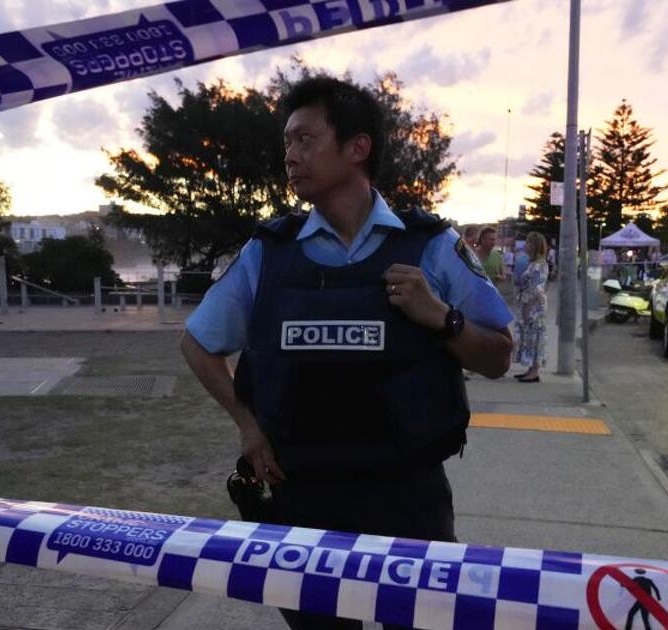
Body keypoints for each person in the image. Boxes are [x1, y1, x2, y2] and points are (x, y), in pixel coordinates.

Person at [179, 77, 514, 630]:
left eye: (306, 139)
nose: (290, 155)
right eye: (287, 142)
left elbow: (500, 356)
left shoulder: (430, 244)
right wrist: (246, 425)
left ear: (357, 148)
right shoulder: (270, 252)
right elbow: (196, 343)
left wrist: (442, 318)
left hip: (408, 498)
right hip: (304, 496)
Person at [514, 232, 549, 383]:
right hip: (529, 302)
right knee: (528, 337)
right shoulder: (534, 263)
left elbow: (536, 288)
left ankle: (534, 371)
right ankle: (530, 368)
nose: (525, 245)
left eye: (528, 243)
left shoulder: (539, 265)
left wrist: (528, 308)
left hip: (534, 304)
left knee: (534, 337)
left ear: (535, 246)